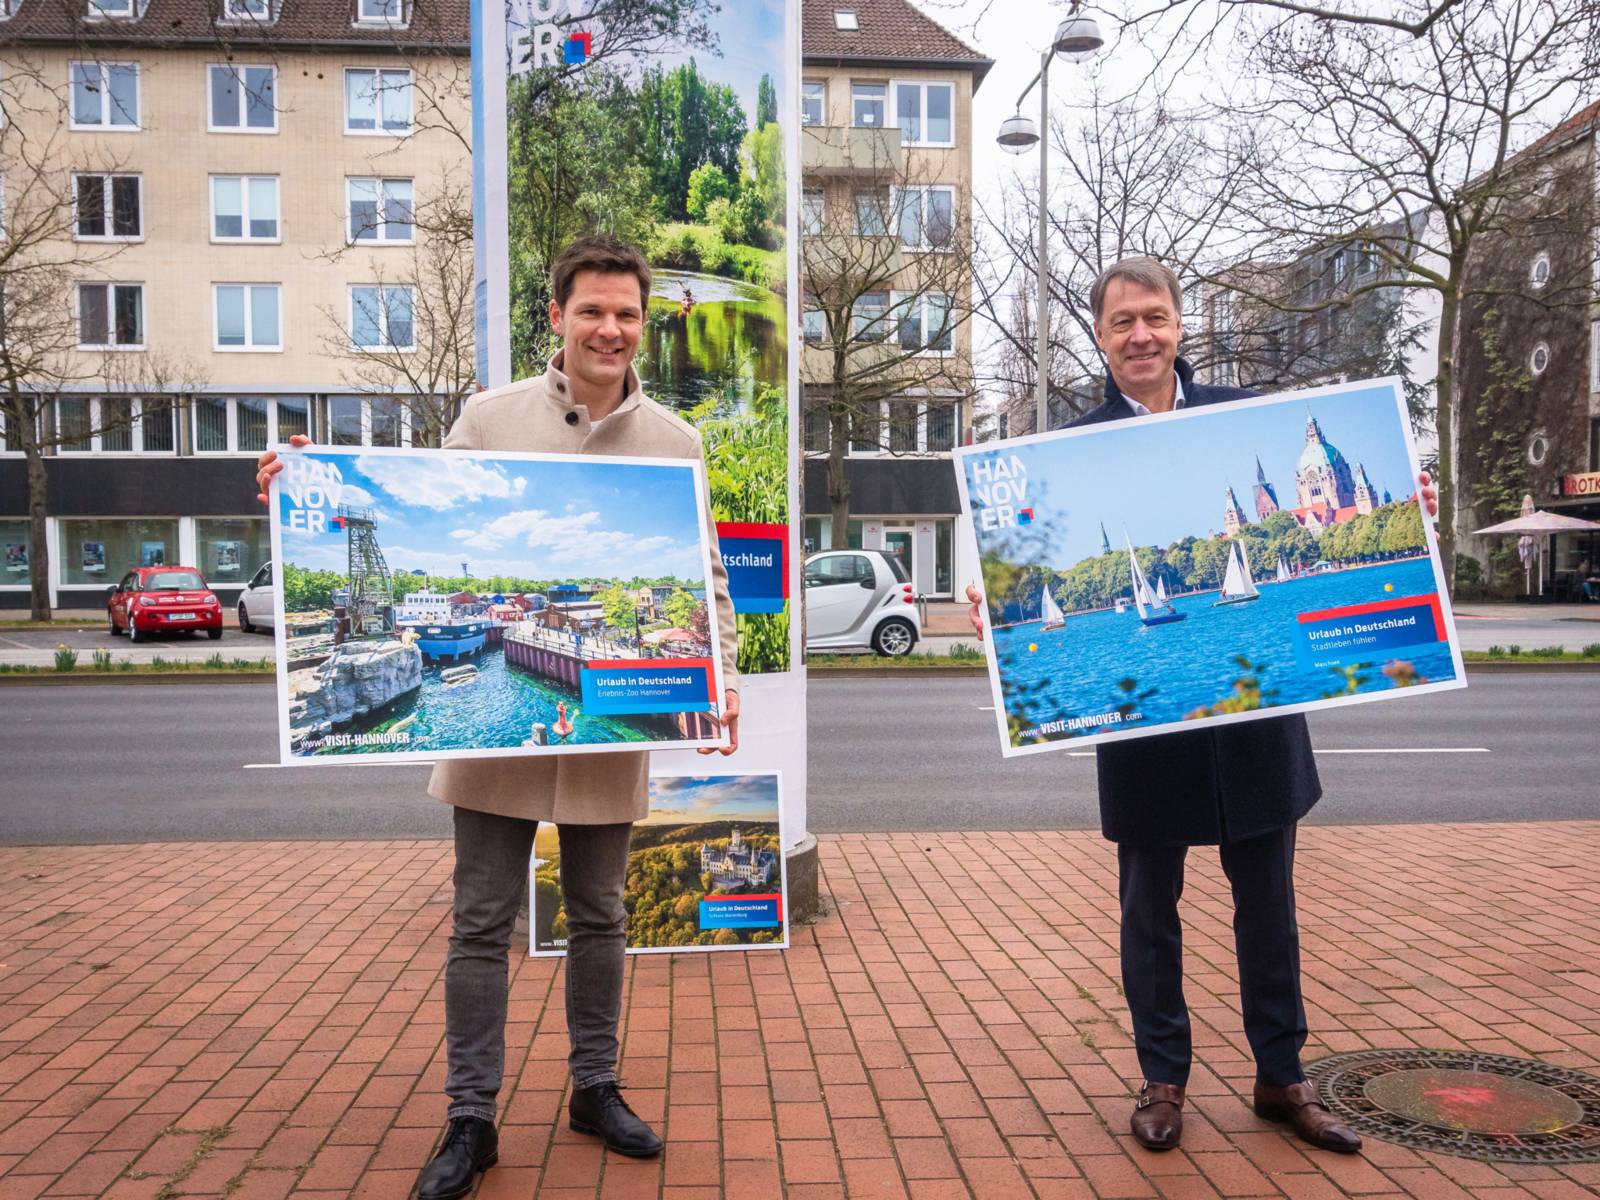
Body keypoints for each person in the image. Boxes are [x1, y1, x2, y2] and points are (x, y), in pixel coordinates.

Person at [256, 234, 741, 1199]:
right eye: (592, 310)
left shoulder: (676, 442)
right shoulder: (489, 416)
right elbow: (412, 497)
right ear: (557, 316)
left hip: (606, 738)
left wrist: (717, 676)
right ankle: (469, 1118)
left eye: (627, 314)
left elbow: (711, 577)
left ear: (644, 324)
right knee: (480, 922)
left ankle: (594, 1088)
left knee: (601, 915)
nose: (610, 328)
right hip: (495, 751)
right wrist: (310, 480)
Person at [967, 257, 1439, 1156]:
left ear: (1180, 324)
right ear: (1099, 338)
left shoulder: (1243, 415)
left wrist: (1417, 515)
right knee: (1149, 913)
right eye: (1122, 323)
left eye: (1154, 317)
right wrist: (995, 603)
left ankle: (1282, 1077)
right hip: (1145, 735)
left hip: (1259, 725)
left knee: (1270, 909)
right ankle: (1163, 1080)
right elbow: (1015, 568)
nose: (1140, 335)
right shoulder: (1066, 449)